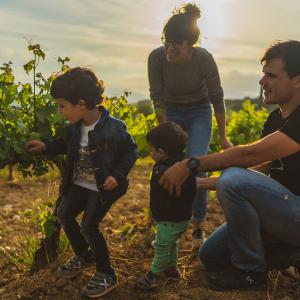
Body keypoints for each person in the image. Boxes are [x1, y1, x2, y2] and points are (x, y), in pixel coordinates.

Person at [158, 40, 300, 290]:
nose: (262, 82)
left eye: (271, 75)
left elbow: (249, 156)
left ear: (298, 80)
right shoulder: (275, 118)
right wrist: (201, 182)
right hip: (282, 212)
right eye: (263, 74)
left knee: (234, 175)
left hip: (295, 213)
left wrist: (191, 164)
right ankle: (291, 254)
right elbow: (264, 169)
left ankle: (251, 273)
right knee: (211, 256)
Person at [26, 67, 138, 298]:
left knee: (89, 226)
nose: (60, 111)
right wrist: (46, 146)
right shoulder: (75, 127)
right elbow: (64, 143)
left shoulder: (114, 127)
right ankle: (83, 254)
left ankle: (106, 274)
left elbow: (131, 152)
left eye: (62, 105)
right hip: (79, 184)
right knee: (64, 213)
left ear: (80, 103)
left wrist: (117, 176)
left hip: (101, 188)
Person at [148, 3, 232, 243]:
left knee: (196, 162)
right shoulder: (156, 58)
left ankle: (197, 223)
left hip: (199, 110)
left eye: (176, 43)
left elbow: (217, 98)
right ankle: (163, 220)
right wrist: (164, 132)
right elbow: (157, 98)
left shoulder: (204, 59)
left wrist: (223, 136)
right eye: (167, 41)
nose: (170, 48)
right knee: (167, 162)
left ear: (190, 45)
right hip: (172, 110)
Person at [135, 122, 196, 290]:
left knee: (161, 245)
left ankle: (153, 276)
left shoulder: (164, 171)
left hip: (169, 219)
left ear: (161, 152)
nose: (150, 152)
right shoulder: (184, 166)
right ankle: (171, 270)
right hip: (181, 217)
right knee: (171, 244)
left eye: (152, 149)